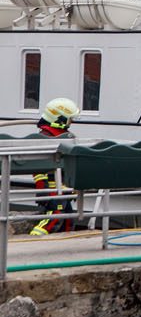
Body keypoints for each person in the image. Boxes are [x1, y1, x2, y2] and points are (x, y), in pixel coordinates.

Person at [29, 98, 78, 236]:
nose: (71, 122)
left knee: (68, 219)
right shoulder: (44, 138)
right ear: (60, 119)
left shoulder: (63, 137)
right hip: (52, 189)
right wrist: (43, 189)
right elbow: (37, 167)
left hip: (63, 188)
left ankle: (65, 241)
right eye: (70, 119)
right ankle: (35, 237)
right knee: (54, 216)